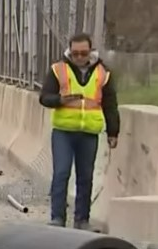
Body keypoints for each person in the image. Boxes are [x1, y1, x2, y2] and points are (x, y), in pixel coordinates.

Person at [38, 33, 120, 230]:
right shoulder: (58, 70)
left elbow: (110, 105)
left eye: (83, 53)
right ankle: (57, 218)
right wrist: (59, 100)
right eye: (75, 54)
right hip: (63, 132)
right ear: (70, 52)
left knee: (85, 176)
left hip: (89, 133)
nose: (79, 57)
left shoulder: (103, 73)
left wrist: (113, 132)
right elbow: (44, 97)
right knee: (61, 173)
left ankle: (82, 220)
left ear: (91, 51)